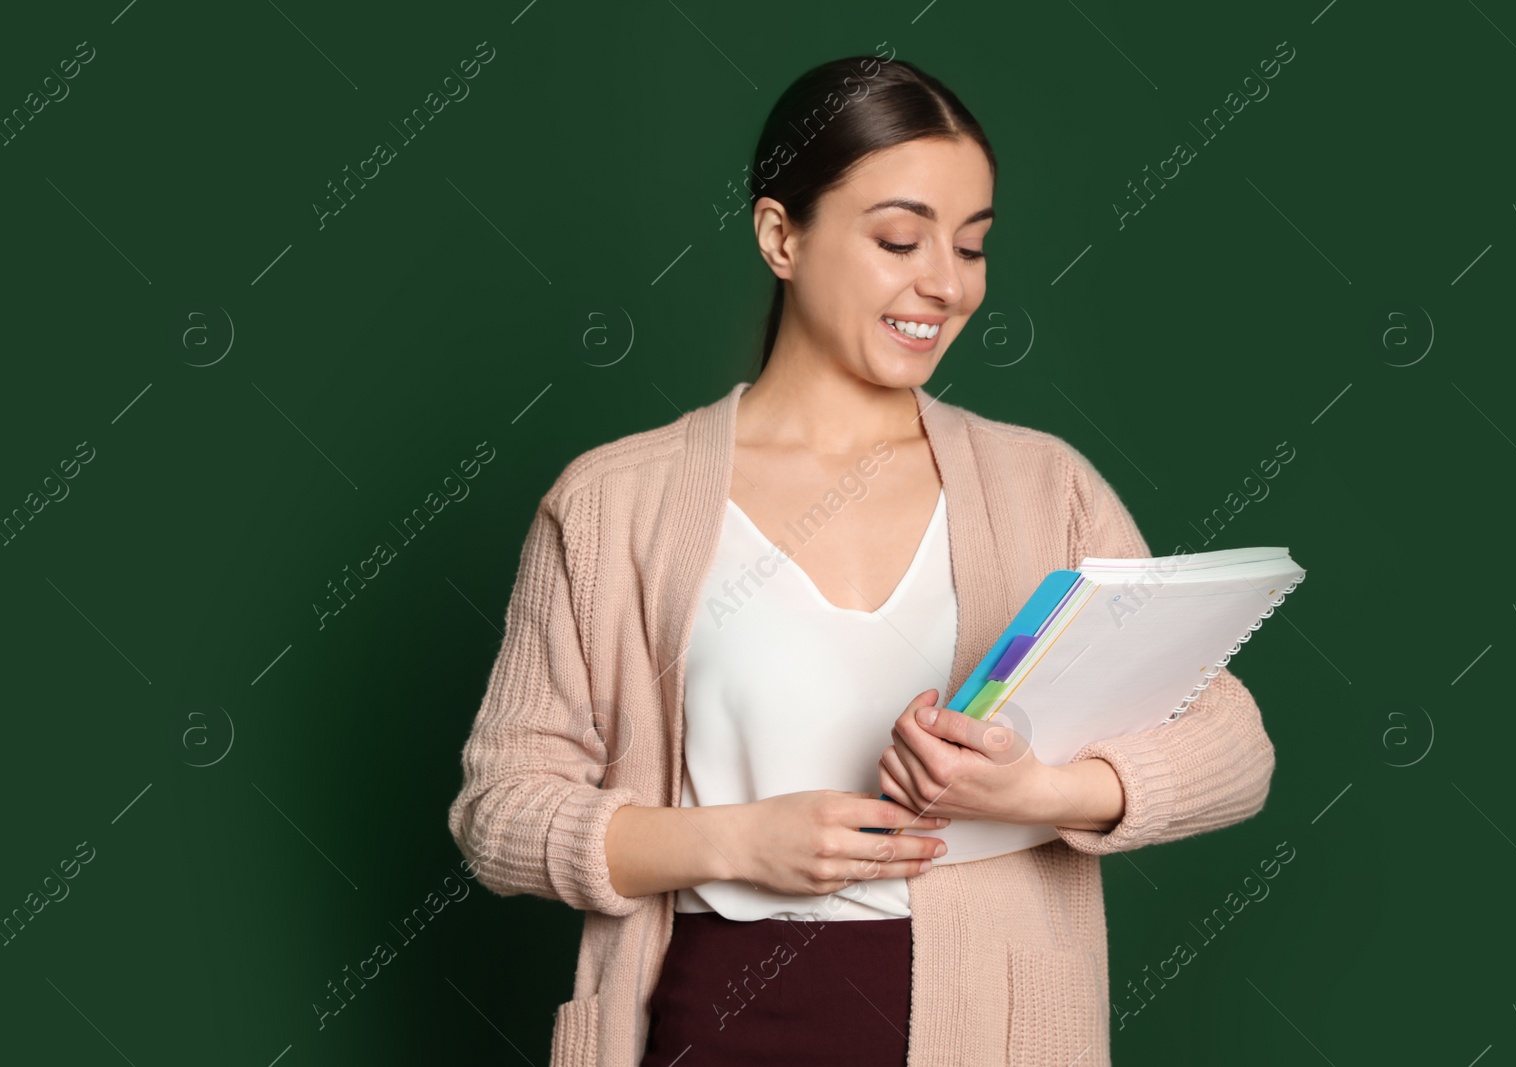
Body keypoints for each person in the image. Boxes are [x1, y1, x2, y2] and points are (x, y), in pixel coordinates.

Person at [447, 55, 1276, 1067]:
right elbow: (500, 812)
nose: (945, 281)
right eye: (898, 237)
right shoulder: (613, 502)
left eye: (971, 246)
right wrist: (734, 841)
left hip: (998, 1028)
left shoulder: (1041, 486)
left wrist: (1040, 793)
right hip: (713, 1022)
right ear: (779, 235)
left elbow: (1233, 745)